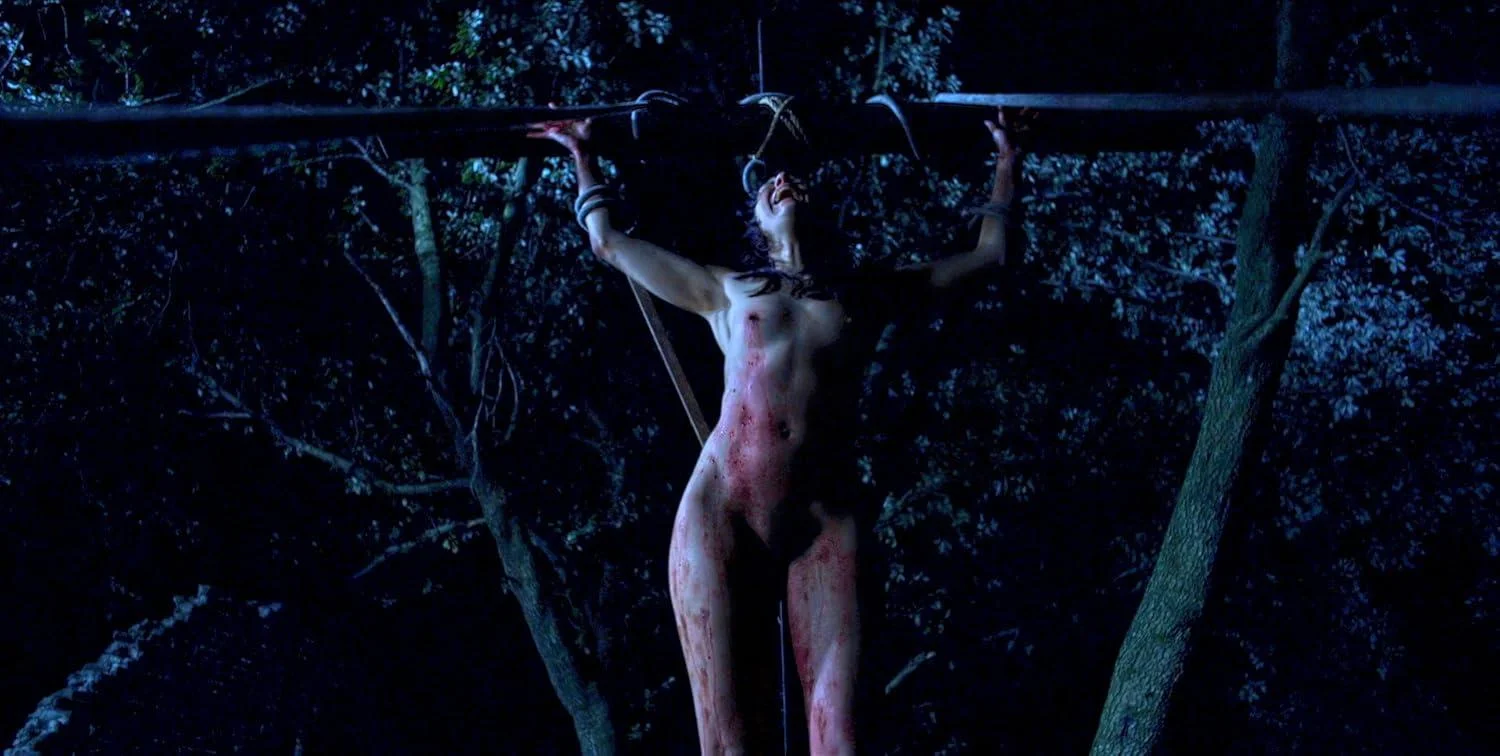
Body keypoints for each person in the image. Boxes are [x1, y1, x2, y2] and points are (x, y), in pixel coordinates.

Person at [529, 105, 1020, 756]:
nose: (784, 181)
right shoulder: (726, 290)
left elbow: (989, 254)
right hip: (724, 512)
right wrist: (583, 154)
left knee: (839, 740)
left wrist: (1007, 159)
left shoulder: (861, 295)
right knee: (730, 744)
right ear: (755, 220)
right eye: (770, 182)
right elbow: (608, 243)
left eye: (797, 180)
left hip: (821, 522)